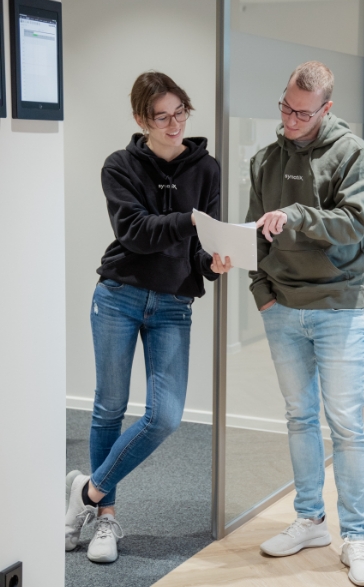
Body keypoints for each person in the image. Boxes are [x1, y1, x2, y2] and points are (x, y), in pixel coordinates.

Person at [65, 71, 231, 564]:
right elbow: (135, 232)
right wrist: (192, 221)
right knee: (108, 409)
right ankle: (107, 517)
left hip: (174, 302)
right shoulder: (119, 165)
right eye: (163, 115)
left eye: (182, 111)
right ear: (142, 119)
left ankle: (86, 493)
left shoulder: (208, 169)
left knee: (165, 416)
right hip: (118, 294)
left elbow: (202, 247)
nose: (175, 122)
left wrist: (213, 261)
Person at [246, 61, 364, 587]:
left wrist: (299, 214)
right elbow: (254, 234)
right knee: (299, 417)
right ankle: (309, 521)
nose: (289, 119)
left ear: (326, 109)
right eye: (284, 106)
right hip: (282, 307)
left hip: (337, 307)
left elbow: (353, 227)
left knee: (346, 426)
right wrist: (262, 294)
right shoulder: (265, 159)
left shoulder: (354, 155)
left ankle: (356, 537)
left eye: (301, 112)